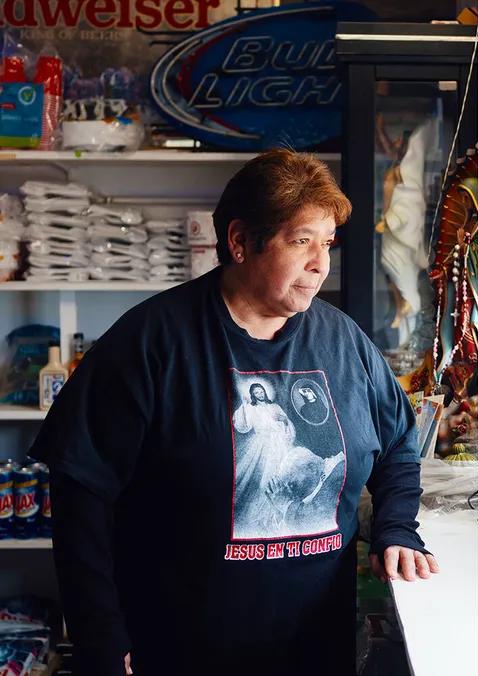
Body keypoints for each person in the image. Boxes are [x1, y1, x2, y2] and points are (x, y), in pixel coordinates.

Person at [31, 149, 438, 675]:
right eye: (301, 241)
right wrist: (99, 635)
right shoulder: (151, 343)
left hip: (316, 645)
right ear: (241, 241)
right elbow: (80, 495)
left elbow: (400, 447)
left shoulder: (345, 342)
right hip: (179, 648)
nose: (321, 263)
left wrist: (398, 527)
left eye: (327, 244)